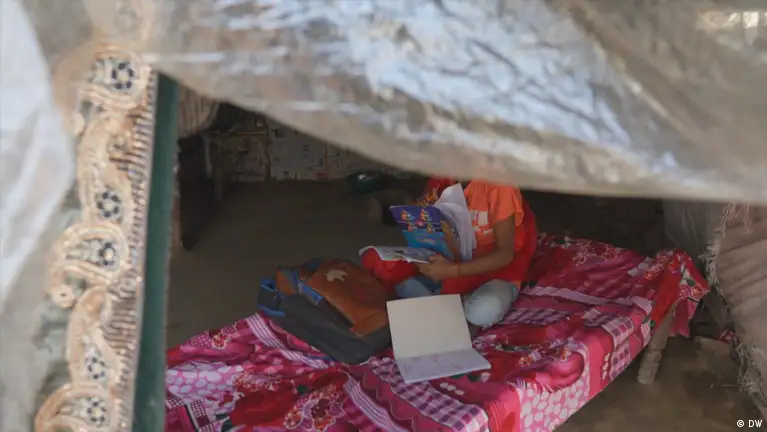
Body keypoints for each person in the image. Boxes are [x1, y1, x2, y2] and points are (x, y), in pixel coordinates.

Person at [395, 178, 538, 329]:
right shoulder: (443, 177)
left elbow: (504, 255)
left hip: (496, 273)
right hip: (453, 262)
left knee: (484, 310)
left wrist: (454, 270)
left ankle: (445, 307)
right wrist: (421, 214)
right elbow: (427, 225)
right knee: (401, 280)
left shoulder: (499, 186)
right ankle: (452, 308)